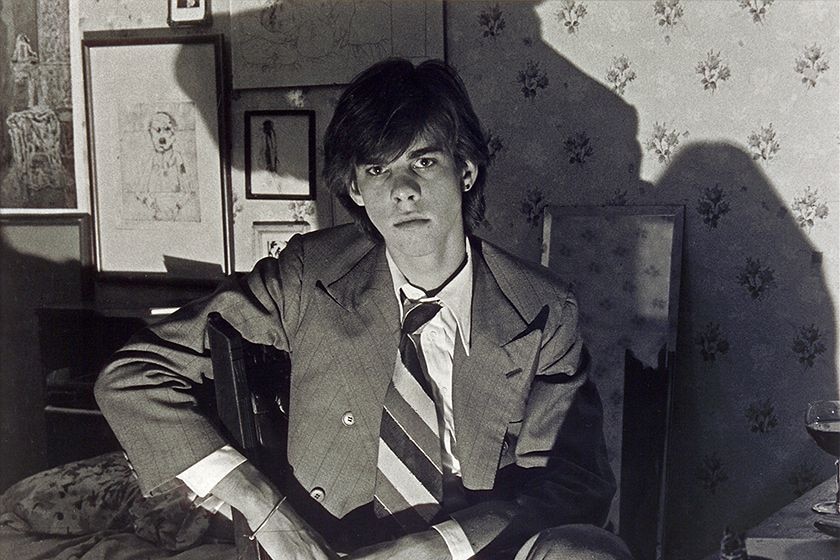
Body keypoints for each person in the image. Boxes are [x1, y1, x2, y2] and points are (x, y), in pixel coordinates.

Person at [95, 58, 630, 560]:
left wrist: (437, 547)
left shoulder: (540, 309)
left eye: (424, 161)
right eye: (377, 170)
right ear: (354, 186)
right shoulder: (310, 274)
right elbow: (132, 378)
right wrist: (266, 509)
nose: (402, 190)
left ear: (465, 170)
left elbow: (575, 481)